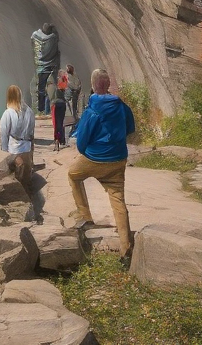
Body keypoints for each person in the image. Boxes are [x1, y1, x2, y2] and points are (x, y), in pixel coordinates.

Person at [68, 68, 136, 260]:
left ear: (92, 86)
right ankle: (125, 246)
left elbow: (81, 142)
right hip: (118, 159)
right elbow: (130, 128)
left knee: (73, 175)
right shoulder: (122, 106)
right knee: (118, 200)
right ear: (108, 85)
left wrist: (89, 152)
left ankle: (85, 216)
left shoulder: (92, 111)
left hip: (94, 159)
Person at [0, 84, 35, 193]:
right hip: (27, 147)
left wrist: (4, 150)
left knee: (16, 175)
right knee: (26, 175)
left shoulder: (8, 113)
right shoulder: (29, 111)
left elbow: (4, 132)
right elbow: (32, 130)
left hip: (14, 148)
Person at [31, 23, 60, 115]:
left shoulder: (36, 36)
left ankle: (41, 109)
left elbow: (34, 46)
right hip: (51, 66)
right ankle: (52, 109)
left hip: (40, 68)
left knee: (41, 89)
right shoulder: (53, 38)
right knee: (52, 87)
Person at [51, 73, 68, 151]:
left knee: (57, 124)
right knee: (61, 123)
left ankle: (57, 140)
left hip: (56, 105)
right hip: (62, 105)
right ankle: (61, 140)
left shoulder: (57, 87)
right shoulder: (65, 85)